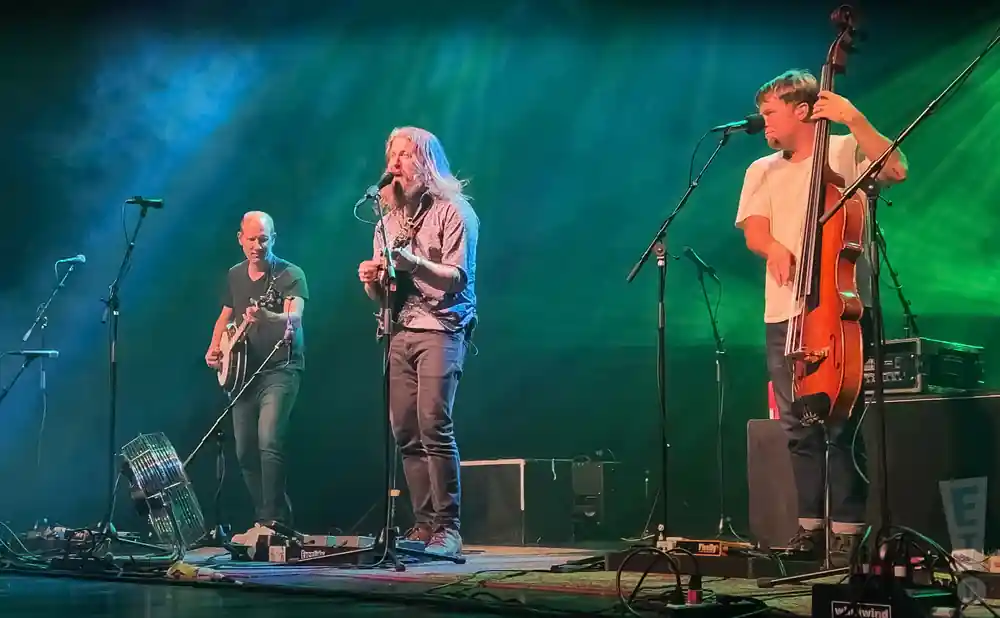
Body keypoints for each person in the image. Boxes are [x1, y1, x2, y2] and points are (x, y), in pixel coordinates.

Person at [734, 69, 908, 561]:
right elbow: (755, 232)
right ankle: (808, 529)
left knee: (842, 422)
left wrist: (854, 117)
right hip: (785, 312)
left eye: (770, 112)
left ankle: (850, 531)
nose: (763, 122)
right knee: (798, 425)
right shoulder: (761, 170)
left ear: (802, 110)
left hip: (842, 308)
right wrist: (774, 249)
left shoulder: (844, 149)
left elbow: (895, 170)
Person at [357, 127, 478, 557]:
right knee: (405, 430)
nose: (395, 165)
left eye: (405, 156)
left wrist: (414, 262)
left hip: (441, 328)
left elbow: (456, 278)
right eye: (392, 156)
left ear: (426, 163)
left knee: (433, 424)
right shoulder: (386, 222)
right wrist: (372, 280)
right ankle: (424, 525)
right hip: (398, 332)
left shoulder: (455, 212)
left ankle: (449, 526)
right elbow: (384, 295)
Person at [205, 211, 309, 538]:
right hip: (242, 376)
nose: (257, 245)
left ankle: (273, 521)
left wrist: (269, 316)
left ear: (273, 238)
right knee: (244, 450)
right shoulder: (235, 275)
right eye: (251, 238)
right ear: (240, 239)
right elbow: (224, 317)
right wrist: (214, 348)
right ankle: (266, 517)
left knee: (269, 440)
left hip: (280, 368)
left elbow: (295, 319)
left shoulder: (290, 274)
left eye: (263, 239)